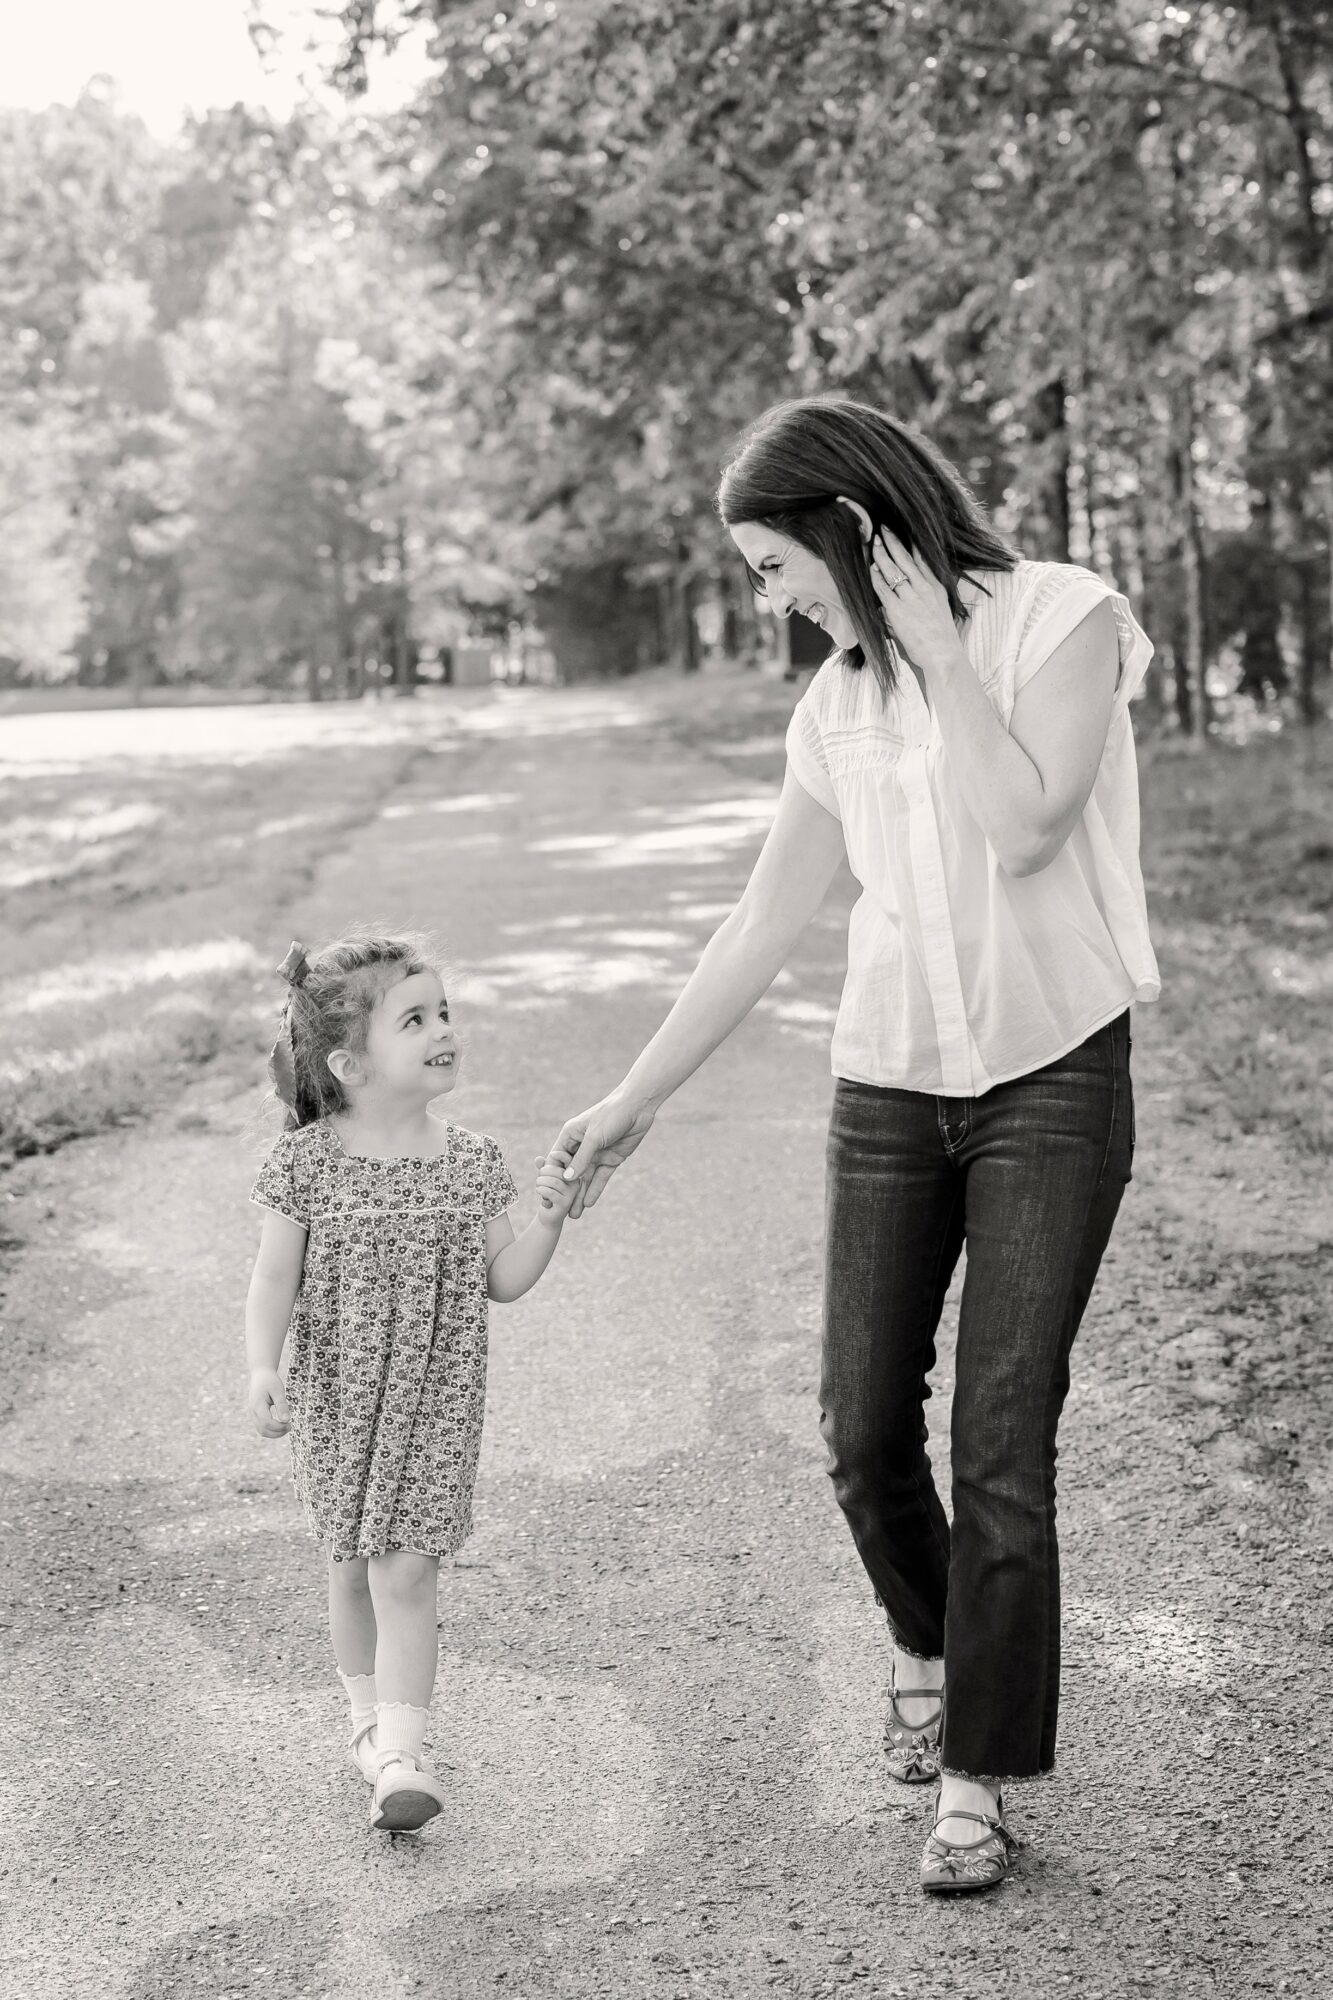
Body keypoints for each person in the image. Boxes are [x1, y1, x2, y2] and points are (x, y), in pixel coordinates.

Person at [554, 395, 1159, 1895]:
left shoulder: (1062, 619)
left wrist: (942, 657)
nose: (773, 601)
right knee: (859, 1427)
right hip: (888, 1080)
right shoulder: (831, 707)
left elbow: (1028, 828)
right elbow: (764, 918)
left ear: (849, 523)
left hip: (1052, 1071)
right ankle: (931, 1640)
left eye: (774, 566)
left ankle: (976, 1779)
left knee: (1002, 1439)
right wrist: (631, 1100)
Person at [244, 932, 579, 1833]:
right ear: (348, 1064)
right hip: (338, 1399)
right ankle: (366, 1725)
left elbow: (500, 1278)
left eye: (444, 1014)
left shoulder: (471, 1161)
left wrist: (547, 1222)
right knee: (350, 1568)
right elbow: (273, 1278)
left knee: (408, 1571)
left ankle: (400, 1754)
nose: (443, 1032)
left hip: (436, 1399)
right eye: (416, 1020)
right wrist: (261, 1365)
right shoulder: (305, 1163)